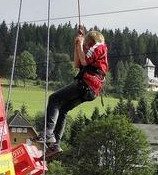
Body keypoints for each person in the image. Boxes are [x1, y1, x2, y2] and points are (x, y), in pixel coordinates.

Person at [34, 27, 108, 155]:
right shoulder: (95, 51)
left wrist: (81, 42)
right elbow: (77, 63)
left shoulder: (99, 46)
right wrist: (77, 44)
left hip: (86, 84)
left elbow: (84, 60)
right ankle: (55, 144)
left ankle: (48, 133)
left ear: (90, 41)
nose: (85, 46)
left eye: (86, 44)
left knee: (54, 98)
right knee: (63, 109)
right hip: (91, 91)